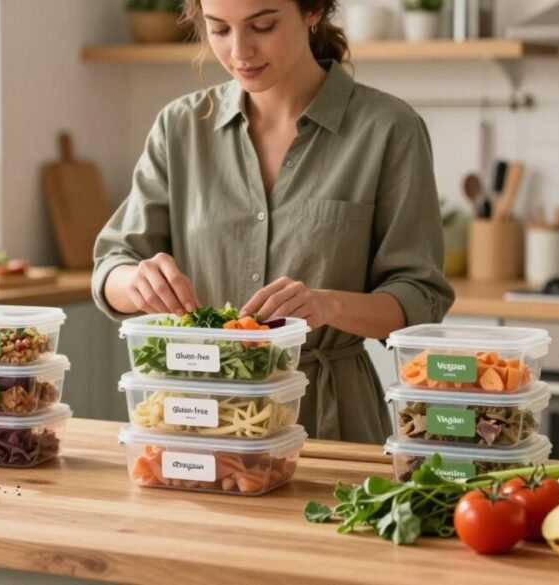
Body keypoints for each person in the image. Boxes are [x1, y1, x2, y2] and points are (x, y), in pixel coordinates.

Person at [91, 0, 454, 444]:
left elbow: (421, 296)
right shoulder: (179, 127)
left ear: (313, 11)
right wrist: (137, 281)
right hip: (197, 419)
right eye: (219, 30)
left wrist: (327, 306)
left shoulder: (388, 128)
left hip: (327, 422)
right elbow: (111, 265)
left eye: (262, 25)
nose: (240, 51)